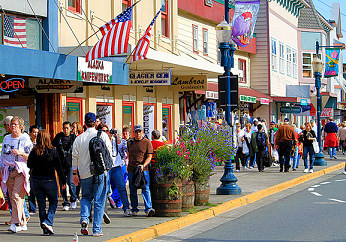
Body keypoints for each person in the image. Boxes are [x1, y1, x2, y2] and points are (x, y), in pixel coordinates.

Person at [72, 112, 112, 237]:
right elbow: (109, 154)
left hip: (84, 173)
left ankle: (84, 218)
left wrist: (74, 173)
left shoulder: (79, 138)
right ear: (95, 123)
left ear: (84, 123)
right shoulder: (103, 136)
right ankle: (97, 229)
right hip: (100, 172)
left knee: (85, 197)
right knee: (99, 201)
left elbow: (74, 157)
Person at [27, 130, 66, 235]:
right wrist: (63, 180)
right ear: (48, 138)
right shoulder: (53, 150)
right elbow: (59, 167)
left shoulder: (34, 150)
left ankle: (45, 228)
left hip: (36, 180)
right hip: (49, 180)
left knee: (41, 205)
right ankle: (48, 221)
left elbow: (29, 165)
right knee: (53, 202)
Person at [0, 116, 32, 233]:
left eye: (15, 124)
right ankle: (23, 222)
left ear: (21, 127)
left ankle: (15, 222)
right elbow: (3, 154)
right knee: (11, 197)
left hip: (20, 170)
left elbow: (31, 156)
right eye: (11, 124)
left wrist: (20, 153)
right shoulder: (6, 138)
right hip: (8, 170)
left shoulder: (25, 138)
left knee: (17, 196)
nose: (12, 126)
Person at [97, 124, 131, 217]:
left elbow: (121, 147)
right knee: (104, 189)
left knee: (122, 187)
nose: (106, 133)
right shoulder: (100, 140)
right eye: (103, 131)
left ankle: (126, 208)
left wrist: (115, 137)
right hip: (106, 168)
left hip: (116, 166)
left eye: (107, 131)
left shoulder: (116, 140)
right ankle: (103, 211)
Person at [127, 124, 155, 217]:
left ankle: (148, 208)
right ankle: (134, 209)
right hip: (132, 169)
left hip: (143, 169)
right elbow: (127, 153)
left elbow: (149, 156)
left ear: (142, 132)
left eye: (140, 131)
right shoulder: (130, 142)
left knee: (145, 188)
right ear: (134, 132)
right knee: (132, 189)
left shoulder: (147, 142)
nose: (138, 133)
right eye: (136, 132)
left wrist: (143, 165)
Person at [52, 121, 78, 211]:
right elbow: (52, 145)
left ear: (70, 128)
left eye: (67, 128)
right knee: (62, 183)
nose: (65, 130)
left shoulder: (73, 137)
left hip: (70, 163)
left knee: (71, 182)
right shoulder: (59, 137)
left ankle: (73, 199)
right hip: (60, 164)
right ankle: (65, 202)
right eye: (64, 128)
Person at [28, 125, 39, 214]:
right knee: (31, 187)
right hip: (29, 167)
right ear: (30, 133)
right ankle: (32, 207)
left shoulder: (40, 143)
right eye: (34, 132)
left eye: (37, 132)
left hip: (39, 168)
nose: (36, 134)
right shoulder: (28, 143)